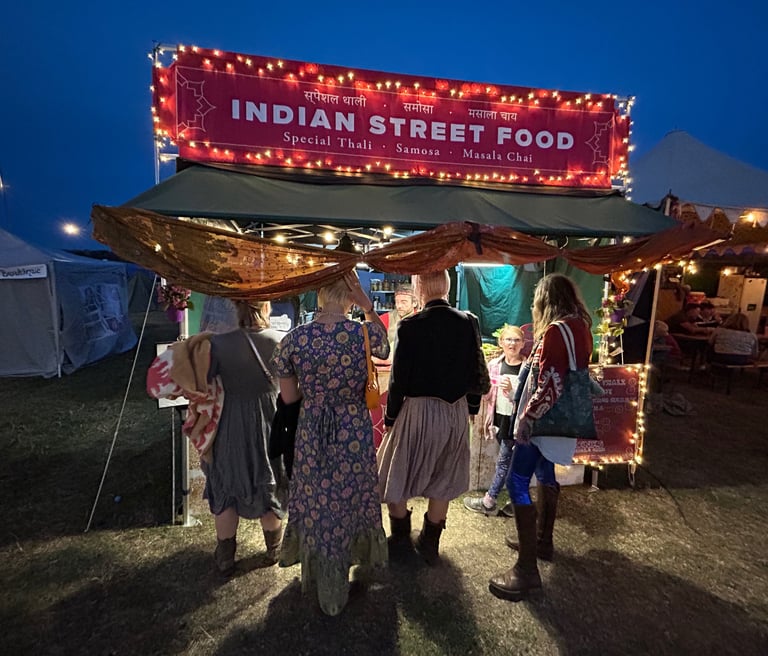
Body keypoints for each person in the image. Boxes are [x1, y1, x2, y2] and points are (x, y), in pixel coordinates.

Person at [274, 271, 390, 616]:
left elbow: (289, 397)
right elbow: (385, 347)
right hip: (353, 429)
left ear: (320, 295)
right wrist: (368, 309)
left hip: (312, 429)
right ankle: (349, 560)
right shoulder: (364, 334)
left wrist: (316, 394)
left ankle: (322, 571)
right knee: (351, 494)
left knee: (318, 498)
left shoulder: (294, 339)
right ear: (351, 297)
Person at [489, 274, 593, 601]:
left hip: (545, 422)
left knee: (517, 481)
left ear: (546, 300)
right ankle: (541, 541)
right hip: (559, 423)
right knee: (545, 474)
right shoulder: (580, 326)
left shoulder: (556, 331)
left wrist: (528, 417)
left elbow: (551, 382)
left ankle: (526, 569)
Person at [377, 270, 491, 565]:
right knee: (444, 476)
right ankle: (430, 543)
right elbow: (475, 370)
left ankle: (400, 538)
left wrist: (390, 417)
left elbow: (398, 380)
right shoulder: (469, 321)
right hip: (455, 410)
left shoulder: (409, 326)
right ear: (447, 286)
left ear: (419, 288)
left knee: (394, 472)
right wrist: (472, 408)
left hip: (417, 410)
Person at [205, 300, 288, 576]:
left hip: (230, 422)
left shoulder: (218, 343)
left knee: (227, 487)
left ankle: (225, 557)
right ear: (266, 308)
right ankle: (274, 550)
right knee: (270, 483)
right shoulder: (280, 340)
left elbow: (206, 382)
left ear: (237, 309)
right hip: (270, 421)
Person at [463, 324, 526, 516]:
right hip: (499, 420)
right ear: (501, 342)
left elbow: (527, 399)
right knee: (511, 462)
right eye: (508, 339)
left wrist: (512, 392)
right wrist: (486, 385)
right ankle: (517, 503)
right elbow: (487, 395)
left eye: (516, 340)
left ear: (523, 343)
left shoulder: (527, 369)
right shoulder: (494, 365)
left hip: (517, 422)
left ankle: (489, 501)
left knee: (504, 461)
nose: (512, 344)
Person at [375, 282, 418, 365]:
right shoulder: (386, 318)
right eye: (397, 302)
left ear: (414, 303)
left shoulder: (422, 320)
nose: (399, 306)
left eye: (403, 302)